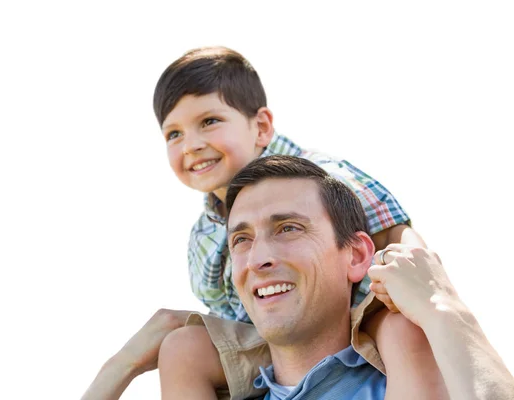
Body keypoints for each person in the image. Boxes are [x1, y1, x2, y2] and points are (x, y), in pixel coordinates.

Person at [154, 46, 439, 399]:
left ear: (260, 127)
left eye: (209, 122)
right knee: (182, 349)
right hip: (271, 329)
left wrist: (426, 290)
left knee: (402, 331)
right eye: (174, 134)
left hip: (358, 314)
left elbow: (396, 231)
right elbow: (222, 313)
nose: (192, 145)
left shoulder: (318, 178)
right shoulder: (204, 235)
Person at [221, 155, 513, 399]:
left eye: (289, 228)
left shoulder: (417, 382)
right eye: (241, 240)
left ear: (357, 255)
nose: (257, 260)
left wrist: (441, 306)